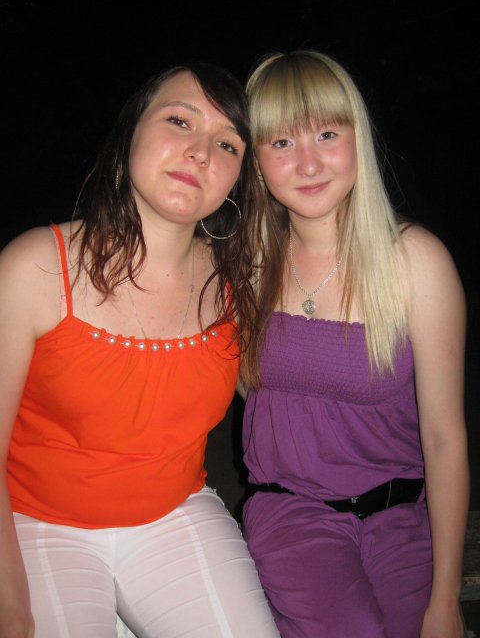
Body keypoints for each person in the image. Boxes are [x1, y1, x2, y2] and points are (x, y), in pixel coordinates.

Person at [0, 61, 281, 638]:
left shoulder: (238, 283)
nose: (200, 152)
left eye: (227, 143)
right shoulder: (35, 267)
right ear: (131, 130)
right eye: (179, 121)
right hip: (36, 525)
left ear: (238, 179)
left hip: (175, 515)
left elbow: (288, 397)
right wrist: (8, 595)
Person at [239, 49, 469, 638]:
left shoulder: (415, 261)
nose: (309, 162)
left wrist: (446, 598)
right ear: (256, 160)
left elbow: (444, 437)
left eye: (327, 133)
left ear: (357, 139)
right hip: (291, 514)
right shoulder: (244, 267)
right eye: (282, 142)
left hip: (400, 519)